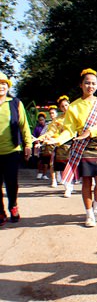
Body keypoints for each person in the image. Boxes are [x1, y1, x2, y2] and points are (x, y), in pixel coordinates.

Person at [45, 68, 97, 227]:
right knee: (86, 181)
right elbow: (69, 129)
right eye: (87, 83)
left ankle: (96, 206)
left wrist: (91, 131)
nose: (90, 86)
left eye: (93, 83)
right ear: (80, 85)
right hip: (82, 146)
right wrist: (57, 139)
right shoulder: (74, 106)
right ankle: (89, 214)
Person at [0, 71, 33, 225]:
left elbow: (24, 125)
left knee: (11, 182)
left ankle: (13, 205)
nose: (1, 86)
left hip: (12, 150)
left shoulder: (15, 103)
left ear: (7, 86)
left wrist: (28, 144)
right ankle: (1, 212)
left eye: (4, 83)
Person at [38, 105, 59, 187]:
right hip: (51, 145)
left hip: (62, 144)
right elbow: (43, 134)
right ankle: (54, 180)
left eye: (53, 113)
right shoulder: (48, 124)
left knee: (61, 162)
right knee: (51, 163)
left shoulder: (63, 121)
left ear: (57, 114)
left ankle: (59, 177)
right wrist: (40, 140)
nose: (52, 115)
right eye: (50, 113)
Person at [33, 112, 49, 180]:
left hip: (46, 145)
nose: (41, 121)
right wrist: (37, 141)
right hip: (39, 145)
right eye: (40, 120)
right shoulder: (37, 128)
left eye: (42, 119)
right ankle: (39, 173)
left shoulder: (48, 127)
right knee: (39, 161)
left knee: (46, 161)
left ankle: (45, 174)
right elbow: (34, 136)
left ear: (45, 119)